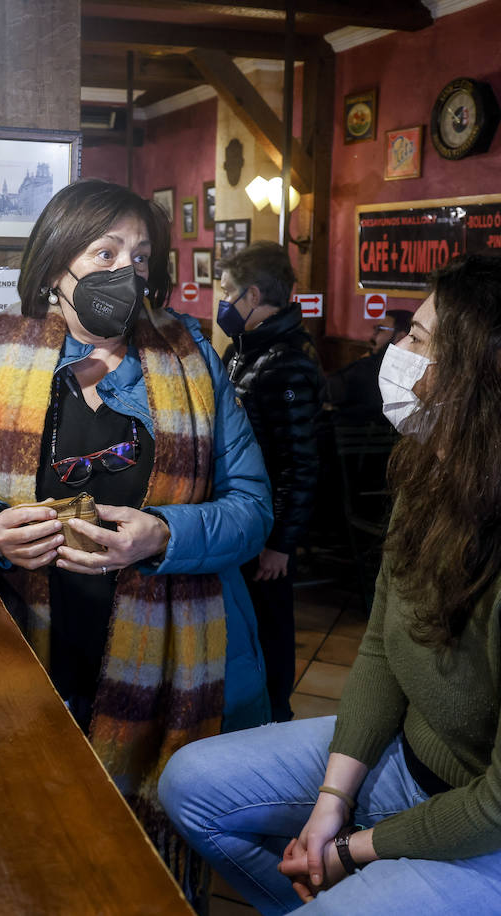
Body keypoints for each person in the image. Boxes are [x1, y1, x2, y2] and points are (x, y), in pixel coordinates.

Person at [159, 254, 501, 915]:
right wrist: (331, 806)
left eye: (416, 340)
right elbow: (382, 653)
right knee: (188, 784)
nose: (395, 352)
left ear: (492, 372)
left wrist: (355, 852)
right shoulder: (433, 481)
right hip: (416, 770)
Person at [0, 178, 272, 859]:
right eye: (103, 253)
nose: (123, 272)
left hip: (174, 646)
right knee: (39, 826)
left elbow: (253, 509)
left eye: (137, 257)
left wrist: (166, 533)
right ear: (56, 267)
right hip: (31, 636)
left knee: (143, 846)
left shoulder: (192, 355)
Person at [218, 242, 323, 723]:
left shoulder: (286, 362)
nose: (219, 305)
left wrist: (281, 542)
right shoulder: (247, 349)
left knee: (272, 628)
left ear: (252, 294)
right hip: (246, 519)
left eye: (225, 293)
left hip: (269, 531)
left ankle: (275, 717)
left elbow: (299, 462)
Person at [324, 308, 411, 426]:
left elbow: (328, 390)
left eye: (380, 330)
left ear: (400, 337)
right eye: (375, 329)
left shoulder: (370, 369)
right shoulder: (412, 369)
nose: (372, 337)